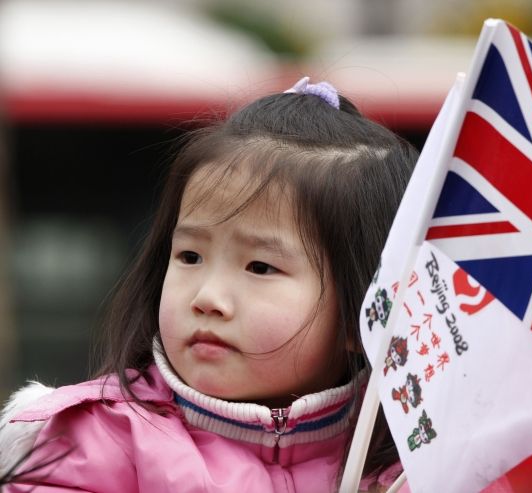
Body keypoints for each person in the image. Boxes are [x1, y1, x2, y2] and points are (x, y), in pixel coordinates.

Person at [0, 77, 420, 492]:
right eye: (189, 257)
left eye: (259, 267)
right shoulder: (96, 442)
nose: (207, 298)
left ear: (363, 313)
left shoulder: (413, 461)